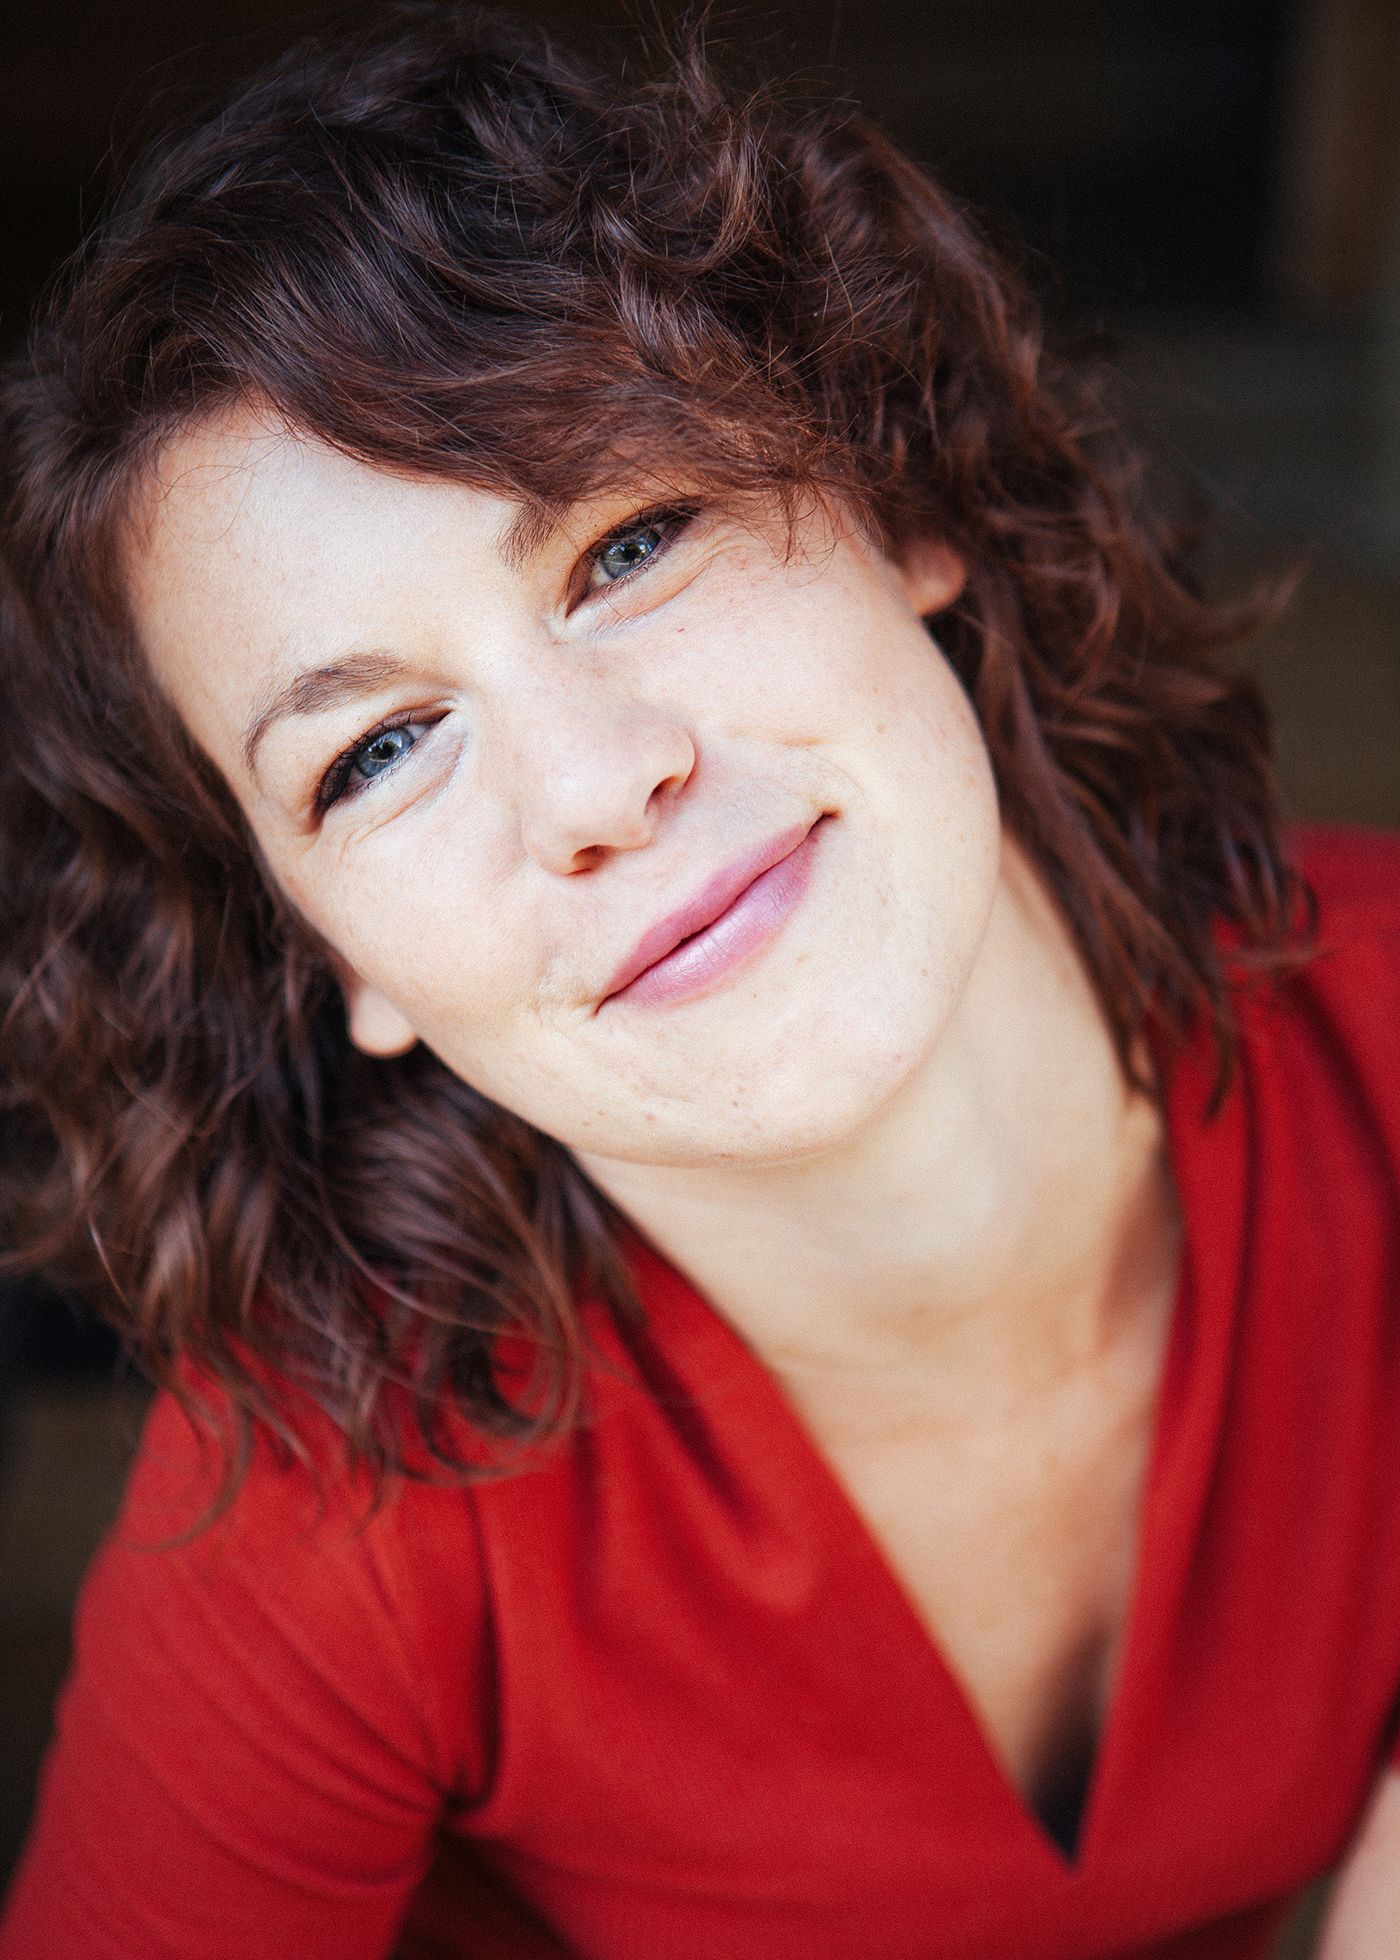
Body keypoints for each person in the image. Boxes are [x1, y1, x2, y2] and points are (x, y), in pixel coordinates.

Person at [0, 7, 1397, 1956]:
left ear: (899, 502)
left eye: (632, 541)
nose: (594, 784)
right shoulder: (335, 1519)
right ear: (334, 958)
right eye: (376, 753)